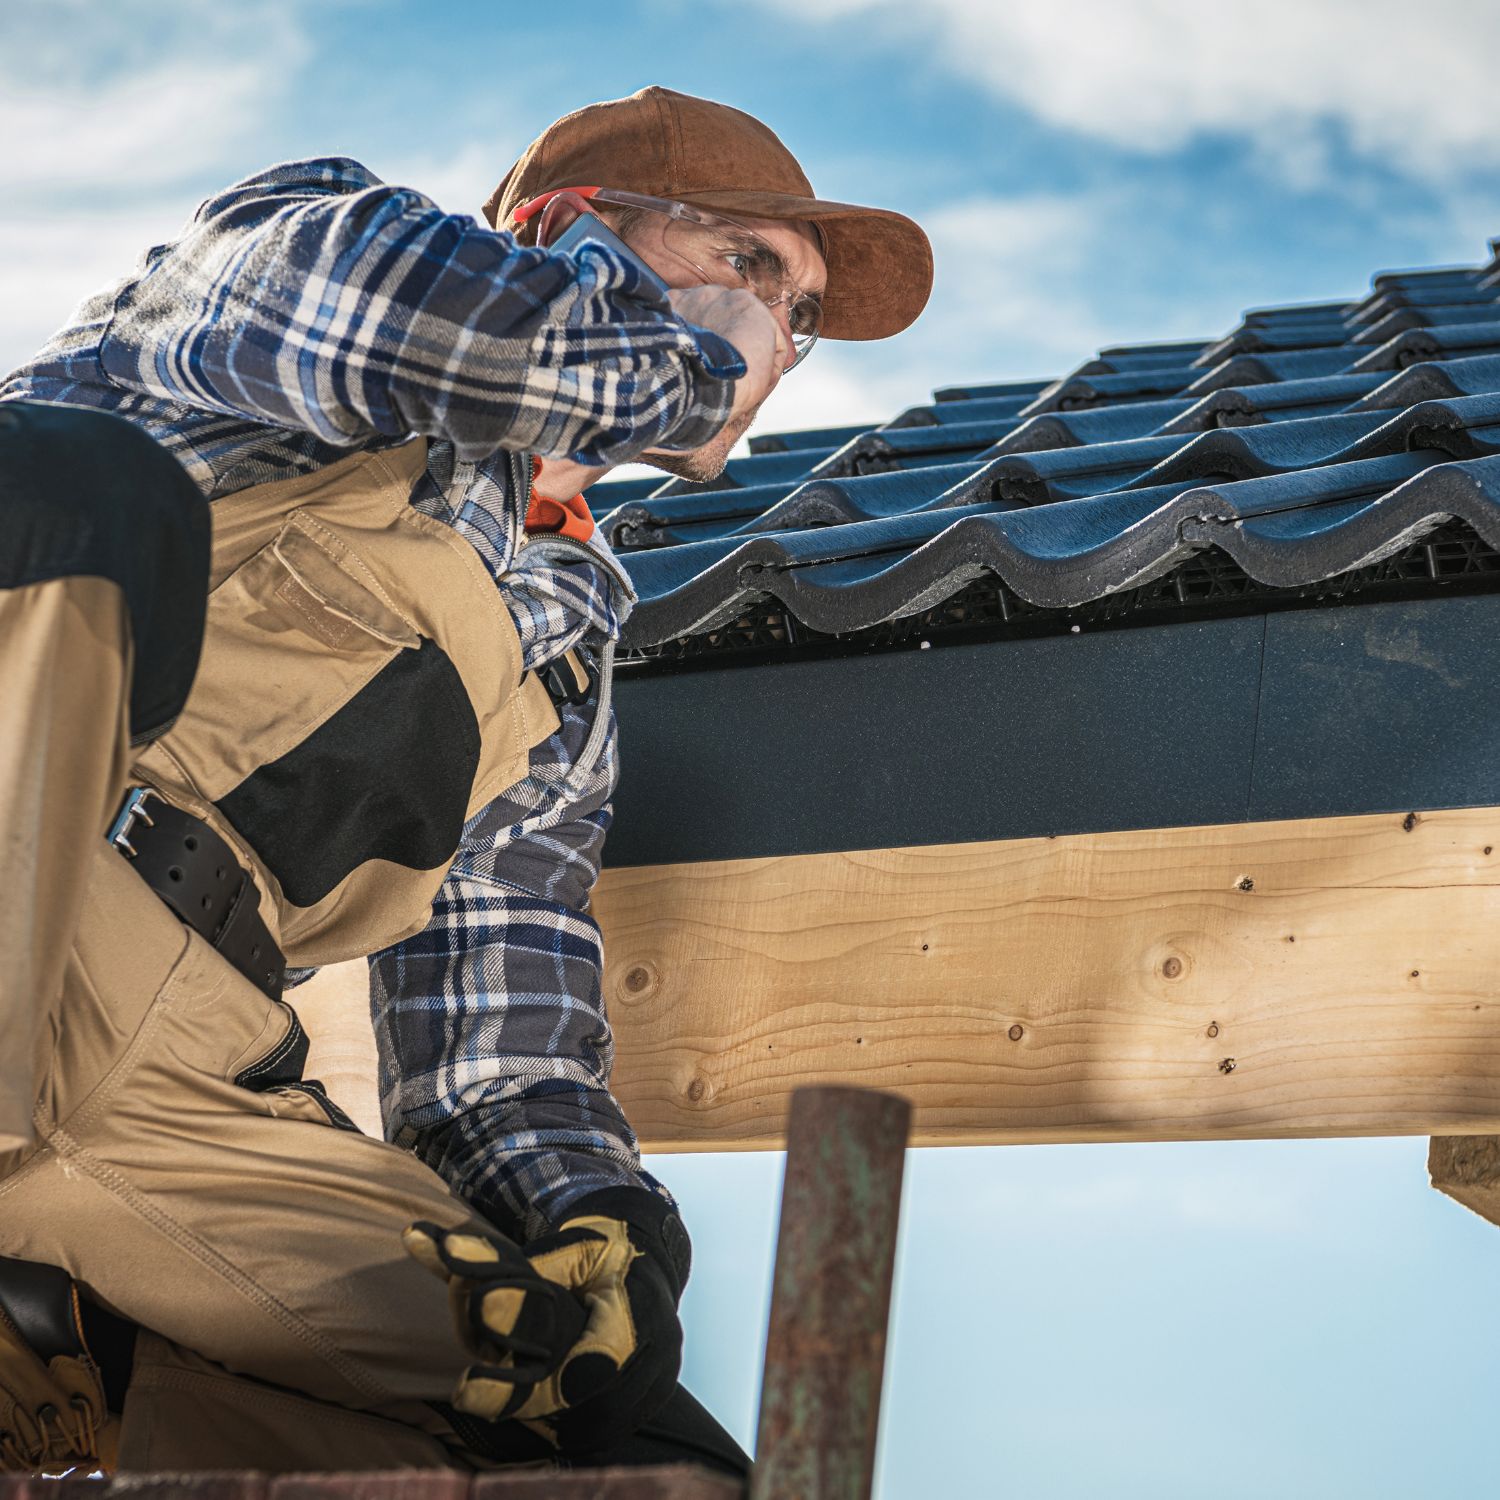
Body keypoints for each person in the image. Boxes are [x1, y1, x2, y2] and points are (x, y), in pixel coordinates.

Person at [0, 86, 931, 1476]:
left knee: (574, 1413)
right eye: (750, 264)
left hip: (160, 1063)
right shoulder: (304, 260)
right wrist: (682, 353)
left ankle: (57, 1351)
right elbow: (415, 314)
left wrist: (600, 1222)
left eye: (797, 317)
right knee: (69, 490)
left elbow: (496, 1055)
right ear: (568, 227)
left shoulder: (561, 654)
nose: (779, 338)